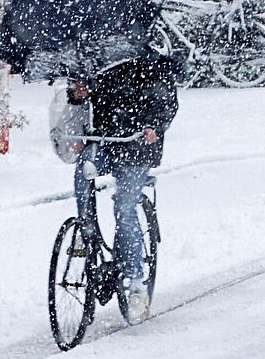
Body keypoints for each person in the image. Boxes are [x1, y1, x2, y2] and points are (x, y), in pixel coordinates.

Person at [68, 47, 179, 324]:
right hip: (106, 142)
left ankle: (136, 284)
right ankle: (85, 227)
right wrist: (78, 94)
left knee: (124, 208)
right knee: (83, 171)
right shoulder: (98, 60)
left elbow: (166, 103)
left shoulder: (153, 64)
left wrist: (153, 125)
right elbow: (87, 99)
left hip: (137, 146)